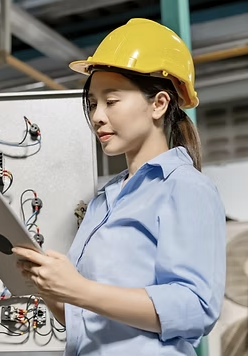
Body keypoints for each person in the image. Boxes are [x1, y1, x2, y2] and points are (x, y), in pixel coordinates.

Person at [13, 18, 226, 356]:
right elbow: (87, 321)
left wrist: (78, 289)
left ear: (159, 104)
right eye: (93, 103)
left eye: (110, 101)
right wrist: (52, 290)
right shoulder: (105, 200)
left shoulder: (185, 188)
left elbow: (195, 306)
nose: (97, 116)